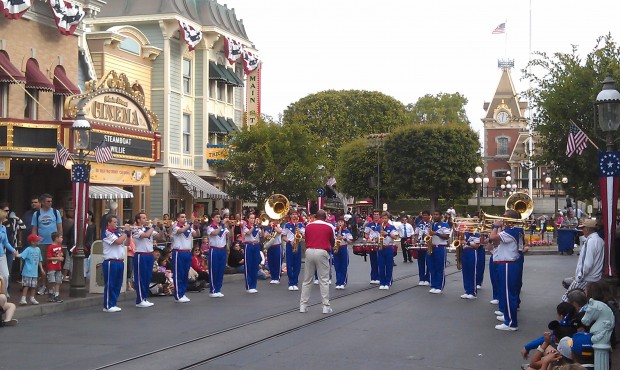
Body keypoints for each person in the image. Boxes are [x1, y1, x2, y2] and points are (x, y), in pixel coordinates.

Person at [489, 209, 523, 331]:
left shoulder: (511, 231)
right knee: (507, 293)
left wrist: (495, 226)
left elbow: (493, 237)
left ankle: (511, 323)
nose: (501, 218)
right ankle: (508, 317)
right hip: (507, 263)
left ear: (510, 219)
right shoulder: (513, 230)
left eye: (504, 217)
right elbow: (496, 242)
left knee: (509, 294)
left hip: (508, 264)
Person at [300, 209, 335, 314]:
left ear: (316, 217)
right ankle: (325, 306)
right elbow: (332, 241)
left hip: (309, 251)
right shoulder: (329, 226)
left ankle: (303, 305)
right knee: (324, 280)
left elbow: (306, 239)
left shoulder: (309, 226)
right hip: (322, 251)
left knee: (307, 279)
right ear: (325, 217)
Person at [561, 219, 604, 302]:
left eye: (583, 228)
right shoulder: (600, 240)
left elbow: (587, 263)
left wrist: (578, 278)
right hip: (595, 277)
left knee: (566, 300)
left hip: (586, 278)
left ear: (587, 229)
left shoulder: (590, 241)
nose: (582, 230)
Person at [31, 194, 62, 295]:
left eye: (51, 201)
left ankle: (52, 288)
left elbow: (59, 227)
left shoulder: (55, 212)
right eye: (48, 201)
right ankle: (43, 285)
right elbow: (34, 229)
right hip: (42, 243)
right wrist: (34, 241)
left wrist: (60, 240)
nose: (50, 203)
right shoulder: (37, 214)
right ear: (42, 202)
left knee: (53, 266)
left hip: (53, 243)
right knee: (43, 265)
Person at [102, 215, 129, 313]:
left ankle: (113, 303)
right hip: (110, 261)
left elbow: (126, 244)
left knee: (118, 284)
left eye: (116, 222)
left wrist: (128, 234)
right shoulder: (107, 232)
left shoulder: (118, 233)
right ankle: (108, 305)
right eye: (114, 222)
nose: (116, 224)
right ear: (109, 223)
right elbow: (118, 242)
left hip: (119, 262)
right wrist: (125, 232)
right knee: (111, 284)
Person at [171, 212, 200, 302]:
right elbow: (181, 231)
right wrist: (191, 222)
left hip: (187, 252)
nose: (184, 218)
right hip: (178, 253)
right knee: (179, 274)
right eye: (182, 217)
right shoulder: (175, 227)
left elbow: (196, 235)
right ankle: (178, 295)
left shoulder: (189, 227)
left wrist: (197, 226)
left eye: (185, 217)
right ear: (178, 219)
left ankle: (183, 293)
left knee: (185, 274)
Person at [132, 213, 157, 308]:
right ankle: (140, 299)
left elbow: (159, 236)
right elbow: (146, 235)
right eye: (144, 218)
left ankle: (145, 298)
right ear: (138, 220)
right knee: (141, 278)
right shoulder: (135, 229)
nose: (146, 219)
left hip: (149, 255)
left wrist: (162, 228)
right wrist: (153, 225)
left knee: (147, 277)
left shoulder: (147, 228)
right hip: (140, 255)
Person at [427, 210, 450, 294]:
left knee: (439, 268)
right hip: (431, 247)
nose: (435, 216)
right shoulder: (431, 225)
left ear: (441, 216)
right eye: (434, 214)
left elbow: (446, 237)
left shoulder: (445, 225)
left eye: (437, 214)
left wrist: (436, 233)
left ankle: (439, 286)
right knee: (432, 268)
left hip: (440, 247)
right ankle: (433, 285)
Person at [283, 209, 305, 291]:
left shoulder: (301, 225)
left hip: (298, 245)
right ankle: (290, 282)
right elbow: (283, 236)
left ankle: (295, 282)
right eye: (293, 214)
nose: (295, 215)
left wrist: (300, 232)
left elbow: (305, 236)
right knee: (289, 264)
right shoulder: (287, 225)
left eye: (296, 214)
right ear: (290, 216)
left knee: (297, 264)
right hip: (289, 246)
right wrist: (289, 241)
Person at [377, 211, 399, 290]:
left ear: (388, 219)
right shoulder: (378, 227)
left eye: (385, 218)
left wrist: (387, 234)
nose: (384, 220)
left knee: (389, 266)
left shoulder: (391, 227)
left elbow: (396, 237)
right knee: (381, 266)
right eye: (383, 218)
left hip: (389, 248)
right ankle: (382, 282)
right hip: (380, 248)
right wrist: (376, 238)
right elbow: (374, 237)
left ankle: (388, 282)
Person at [19, 234, 42, 306]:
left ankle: (32, 298)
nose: (38, 241)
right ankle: (23, 298)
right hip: (27, 271)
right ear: (32, 242)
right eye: (37, 240)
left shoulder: (38, 249)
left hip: (34, 272)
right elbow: (22, 255)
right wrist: (16, 254)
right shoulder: (28, 249)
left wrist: (41, 269)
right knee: (26, 285)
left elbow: (39, 260)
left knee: (33, 286)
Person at [0, 209, 19, 296]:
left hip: (1, 255)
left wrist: (13, 250)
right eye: (3, 218)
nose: (4, 220)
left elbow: (6, 242)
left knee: (6, 276)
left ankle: (3, 293)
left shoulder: (3, 228)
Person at [242, 213, 262, 293]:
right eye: (251, 218)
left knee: (255, 266)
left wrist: (262, 227)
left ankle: (254, 285)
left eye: (254, 218)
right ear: (248, 219)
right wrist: (254, 226)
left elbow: (262, 235)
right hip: (249, 246)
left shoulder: (257, 228)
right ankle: (249, 286)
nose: (252, 220)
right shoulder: (245, 227)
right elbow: (248, 233)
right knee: (248, 266)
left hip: (256, 246)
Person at [460, 227, 481, 299]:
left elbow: (476, 246)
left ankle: (473, 292)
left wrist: (466, 242)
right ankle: (467, 291)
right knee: (465, 272)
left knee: (472, 272)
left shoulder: (477, 234)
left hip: (472, 251)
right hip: (465, 252)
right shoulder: (465, 233)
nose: (469, 228)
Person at [333, 216, 353, 289]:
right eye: (339, 222)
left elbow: (350, 241)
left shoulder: (346, 231)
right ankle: (338, 282)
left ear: (344, 223)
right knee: (337, 266)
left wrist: (343, 238)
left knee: (343, 266)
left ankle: (343, 282)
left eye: (341, 222)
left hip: (343, 248)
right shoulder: (334, 230)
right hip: (336, 248)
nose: (340, 223)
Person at [364, 210, 382, 285]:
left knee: (379, 261)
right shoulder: (369, 224)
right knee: (373, 261)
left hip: (380, 244)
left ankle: (379, 277)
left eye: (377, 214)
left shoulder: (382, 224)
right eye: (374, 214)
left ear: (379, 215)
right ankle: (373, 277)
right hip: (372, 244)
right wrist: (368, 239)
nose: (376, 216)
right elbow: (366, 234)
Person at [46, 232, 64, 303]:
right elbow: (48, 257)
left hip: (58, 266)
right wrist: (58, 259)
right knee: (52, 281)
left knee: (58, 281)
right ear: (56, 238)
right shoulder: (50, 247)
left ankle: (57, 295)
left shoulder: (60, 246)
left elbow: (60, 253)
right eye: (61, 237)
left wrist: (61, 255)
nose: (62, 239)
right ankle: (51, 293)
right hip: (52, 266)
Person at [414, 210, 431, 286]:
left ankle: (427, 278)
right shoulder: (419, 224)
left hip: (428, 244)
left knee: (428, 262)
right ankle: (421, 278)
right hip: (420, 243)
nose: (424, 217)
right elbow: (416, 234)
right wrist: (415, 242)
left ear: (429, 216)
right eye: (423, 215)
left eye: (426, 215)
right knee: (420, 262)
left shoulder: (431, 224)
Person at [264, 220, 283, 285]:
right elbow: (265, 236)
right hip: (270, 247)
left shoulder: (279, 226)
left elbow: (280, 232)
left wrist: (274, 226)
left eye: (275, 220)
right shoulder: (268, 228)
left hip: (277, 246)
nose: (273, 221)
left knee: (277, 262)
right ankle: (273, 277)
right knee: (271, 262)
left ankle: (277, 278)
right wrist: (268, 235)